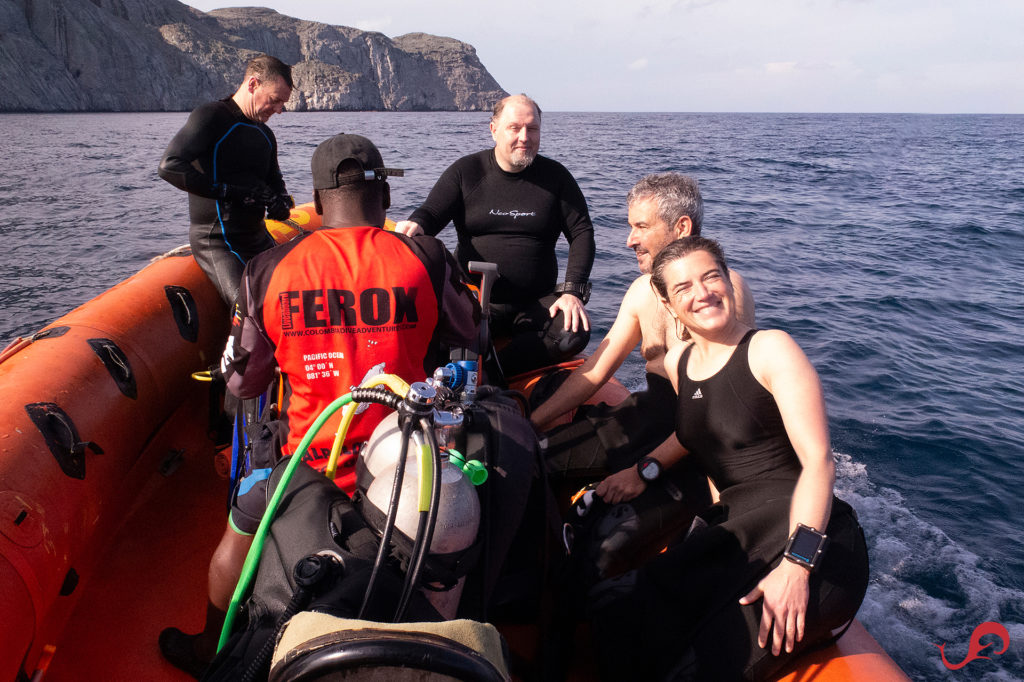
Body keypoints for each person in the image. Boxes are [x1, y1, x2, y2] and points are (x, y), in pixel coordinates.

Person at [158, 133, 480, 678]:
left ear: (318, 197)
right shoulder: (423, 256)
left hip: (308, 465)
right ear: (383, 198)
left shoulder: (268, 268)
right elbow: (468, 331)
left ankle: (212, 649)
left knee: (243, 521)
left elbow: (242, 383)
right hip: (403, 469)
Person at [588, 237, 869, 681]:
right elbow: (697, 432)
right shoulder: (680, 363)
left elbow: (819, 462)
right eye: (683, 288)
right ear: (666, 302)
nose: (702, 293)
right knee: (608, 613)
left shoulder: (770, 348)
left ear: (729, 280)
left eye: (711, 276)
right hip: (739, 535)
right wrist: (646, 469)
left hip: (810, 543)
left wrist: (796, 568)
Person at [531, 173, 754, 505]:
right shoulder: (642, 290)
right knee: (530, 459)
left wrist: (641, 472)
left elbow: (714, 408)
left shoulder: (718, 296)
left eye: (641, 226)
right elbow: (596, 371)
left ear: (681, 228)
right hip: (647, 415)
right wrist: (532, 423)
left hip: (696, 435)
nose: (629, 240)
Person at [394, 94, 595, 378]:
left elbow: (582, 232)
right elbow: (431, 213)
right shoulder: (467, 172)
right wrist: (415, 224)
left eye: (532, 128)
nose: (524, 137)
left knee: (575, 332)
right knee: (428, 335)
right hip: (471, 300)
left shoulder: (556, 177)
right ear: (494, 129)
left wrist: (573, 292)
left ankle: (493, 373)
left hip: (536, 303)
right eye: (515, 127)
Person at [158, 54, 295, 306]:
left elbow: (278, 185)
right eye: (275, 100)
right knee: (251, 311)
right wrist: (229, 191)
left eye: (282, 104)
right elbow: (169, 166)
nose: (279, 110)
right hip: (217, 242)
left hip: (257, 237)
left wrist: (281, 205)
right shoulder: (212, 117)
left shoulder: (265, 135)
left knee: (295, 297)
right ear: (253, 84)